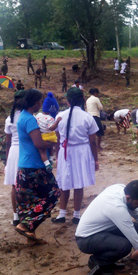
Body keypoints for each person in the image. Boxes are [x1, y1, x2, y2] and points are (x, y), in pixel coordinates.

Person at [72, 181, 138, 275]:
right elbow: (134, 240)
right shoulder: (117, 208)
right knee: (124, 246)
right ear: (128, 198)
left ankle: (109, 261)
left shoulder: (121, 189)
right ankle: (97, 261)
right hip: (86, 239)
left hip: (102, 230)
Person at [14, 89, 59, 244]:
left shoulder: (22, 117)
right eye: (39, 101)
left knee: (29, 201)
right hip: (34, 166)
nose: (40, 104)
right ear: (34, 103)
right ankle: (25, 225)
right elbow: (38, 143)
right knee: (53, 193)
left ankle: (30, 235)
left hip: (24, 165)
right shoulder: (30, 120)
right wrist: (52, 143)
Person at [54, 87, 99, 224]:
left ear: (68, 101)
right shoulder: (87, 117)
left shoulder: (60, 116)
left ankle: (62, 214)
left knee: (64, 183)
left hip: (65, 151)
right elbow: (93, 141)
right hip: (81, 151)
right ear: (82, 100)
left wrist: (57, 156)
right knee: (79, 183)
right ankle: (76, 215)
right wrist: (95, 159)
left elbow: (57, 139)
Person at [5, 90, 25, 226]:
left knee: (14, 185)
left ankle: (16, 215)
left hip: (13, 152)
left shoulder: (9, 119)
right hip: (25, 151)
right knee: (26, 184)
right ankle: (26, 213)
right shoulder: (28, 118)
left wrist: (7, 162)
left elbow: (7, 142)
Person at [35, 93, 62, 166]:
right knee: (51, 148)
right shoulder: (50, 118)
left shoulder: (38, 115)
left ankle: (46, 164)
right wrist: (57, 122)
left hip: (40, 136)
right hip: (49, 136)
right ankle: (50, 159)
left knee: (42, 151)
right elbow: (52, 128)